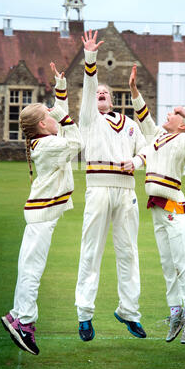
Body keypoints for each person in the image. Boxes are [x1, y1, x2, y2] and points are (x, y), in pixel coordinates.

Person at [1, 66, 83, 355]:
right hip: (43, 213)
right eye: (49, 116)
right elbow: (77, 142)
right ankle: (24, 321)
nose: (54, 117)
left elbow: (60, 117)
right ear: (43, 126)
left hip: (41, 212)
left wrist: (60, 85)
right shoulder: (48, 144)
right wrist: (64, 116)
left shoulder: (45, 139)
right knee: (32, 270)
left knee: (28, 266)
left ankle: (17, 315)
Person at [75, 30, 147, 341]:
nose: (100, 93)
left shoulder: (130, 124)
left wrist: (138, 162)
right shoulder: (89, 119)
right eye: (96, 92)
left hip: (126, 191)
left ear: (113, 98)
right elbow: (91, 83)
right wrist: (90, 59)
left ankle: (129, 311)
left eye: (105, 92)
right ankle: (84, 314)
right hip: (99, 188)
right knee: (91, 250)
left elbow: (146, 149)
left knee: (128, 251)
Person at [129, 64, 185, 344]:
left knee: (181, 258)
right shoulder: (158, 136)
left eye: (173, 114)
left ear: (182, 123)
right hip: (157, 206)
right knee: (166, 260)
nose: (168, 115)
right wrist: (134, 90)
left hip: (174, 205)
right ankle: (175, 311)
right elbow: (143, 116)